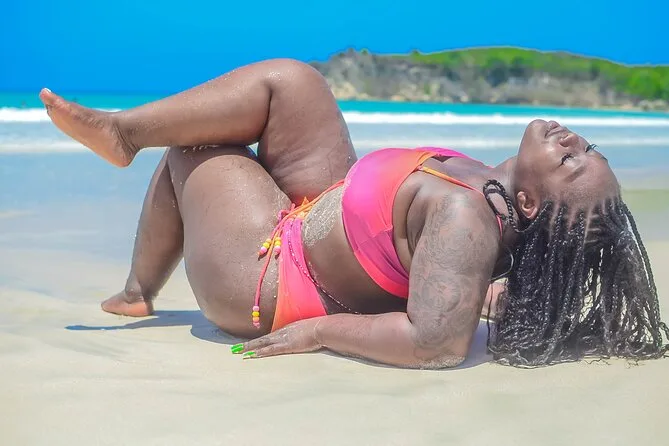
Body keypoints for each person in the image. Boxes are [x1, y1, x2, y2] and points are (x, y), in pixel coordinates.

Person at [39, 58, 668, 368]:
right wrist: (491, 295)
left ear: (528, 203)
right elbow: (456, 277)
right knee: (294, 82)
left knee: (193, 147)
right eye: (587, 147)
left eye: (570, 161)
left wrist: (318, 333)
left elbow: (437, 344)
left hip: (270, 279)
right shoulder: (487, 191)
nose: (570, 140)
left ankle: (136, 272)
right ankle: (125, 140)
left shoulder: (468, 217)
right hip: (322, 212)